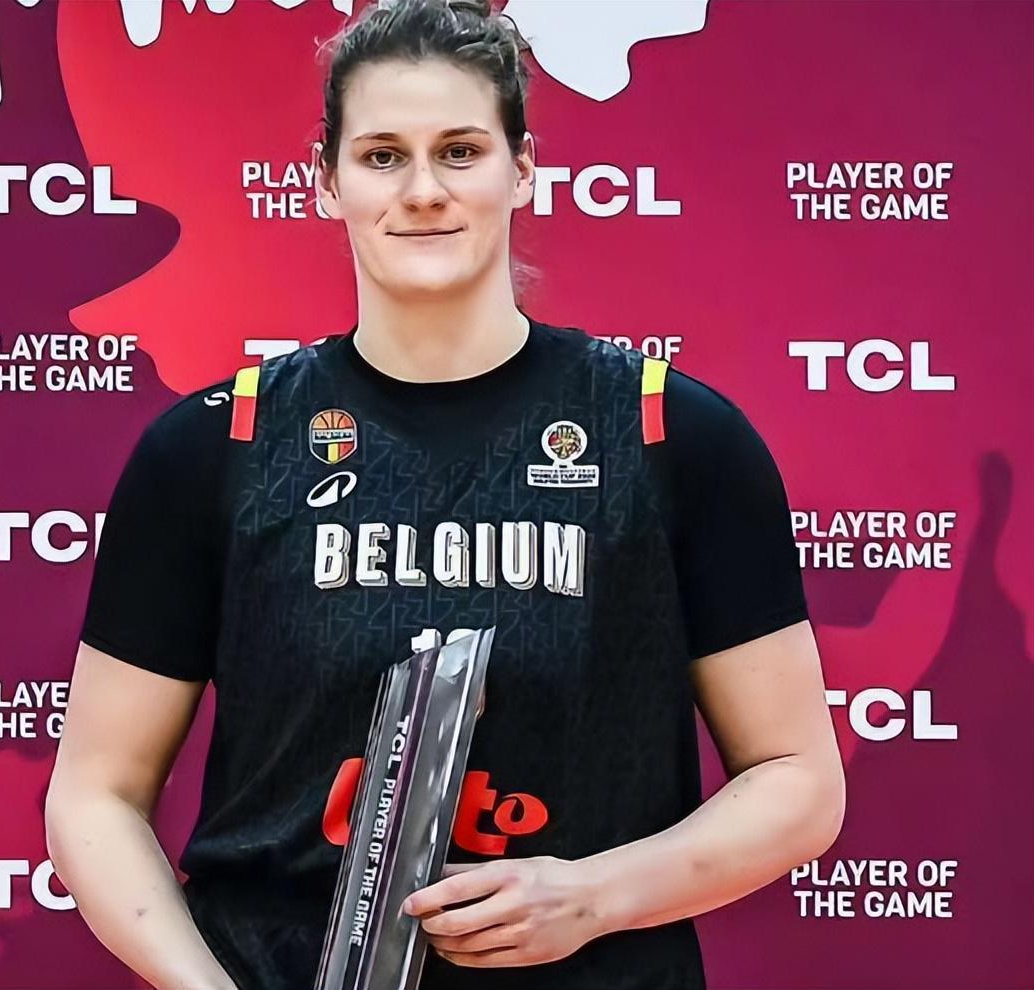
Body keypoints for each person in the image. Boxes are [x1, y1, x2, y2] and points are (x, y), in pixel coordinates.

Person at [44, 1, 845, 988]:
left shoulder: (665, 432)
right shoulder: (221, 444)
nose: (423, 191)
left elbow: (800, 784)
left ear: (523, 167)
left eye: (460, 152)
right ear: (324, 180)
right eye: (382, 156)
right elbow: (95, 794)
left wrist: (594, 895)